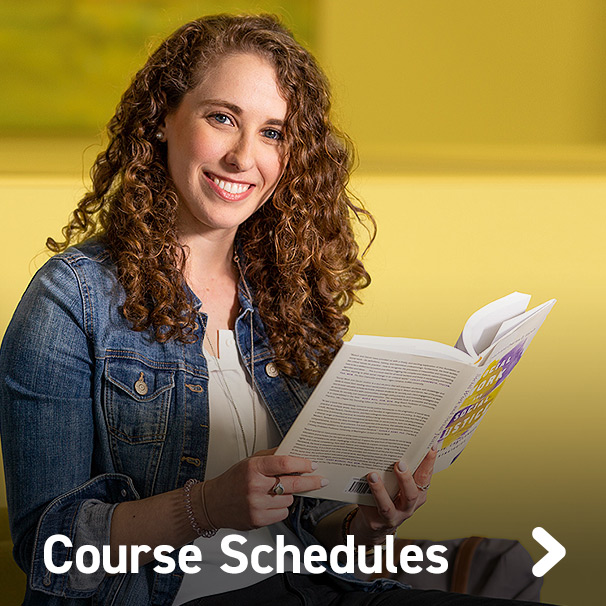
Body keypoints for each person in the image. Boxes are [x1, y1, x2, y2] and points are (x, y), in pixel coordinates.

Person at [0, 14, 551, 606]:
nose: (243, 157)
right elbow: (48, 550)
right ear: (164, 118)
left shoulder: (285, 297)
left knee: (511, 570)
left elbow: (307, 532)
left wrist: (369, 524)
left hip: (304, 587)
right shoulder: (71, 300)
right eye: (222, 118)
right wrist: (205, 507)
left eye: (272, 133)